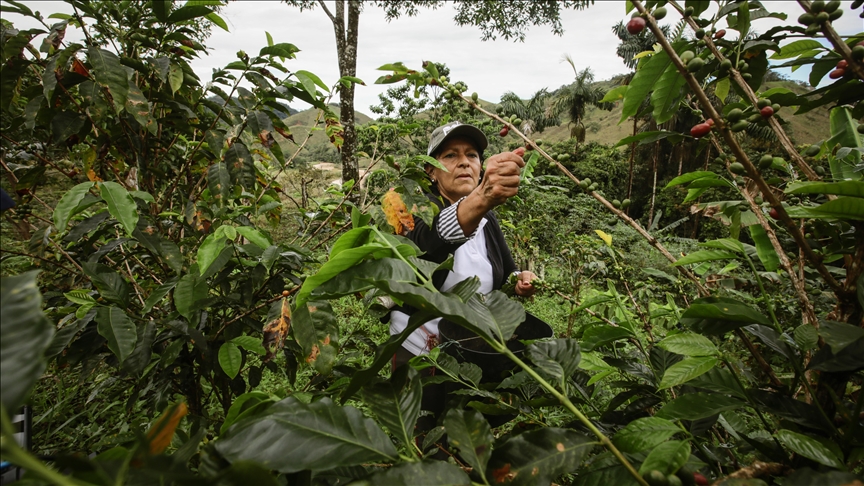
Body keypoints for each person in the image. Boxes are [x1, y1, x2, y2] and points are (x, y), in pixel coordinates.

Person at [389, 120, 539, 369]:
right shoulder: (415, 206)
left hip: (475, 350)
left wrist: (520, 280)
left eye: (472, 155)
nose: (464, 162)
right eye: (450, 155)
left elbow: (507, 271)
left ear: (480, 167)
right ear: (431, 171)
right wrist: (482, 197)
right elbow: (429, 240)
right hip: (422, 352)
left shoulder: (487, 217)